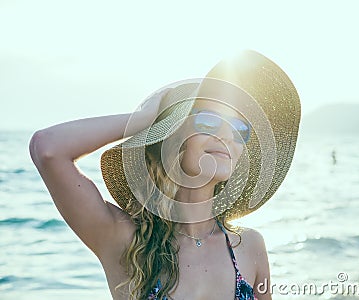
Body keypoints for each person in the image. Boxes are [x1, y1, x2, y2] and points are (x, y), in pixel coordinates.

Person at [29, 50, 301, 300]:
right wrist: (144, 119)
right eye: (208, 121)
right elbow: (48, 148)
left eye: (240, 128)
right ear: (173, 140)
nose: (226, 135)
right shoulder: (125, 239)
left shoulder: (250, 246)